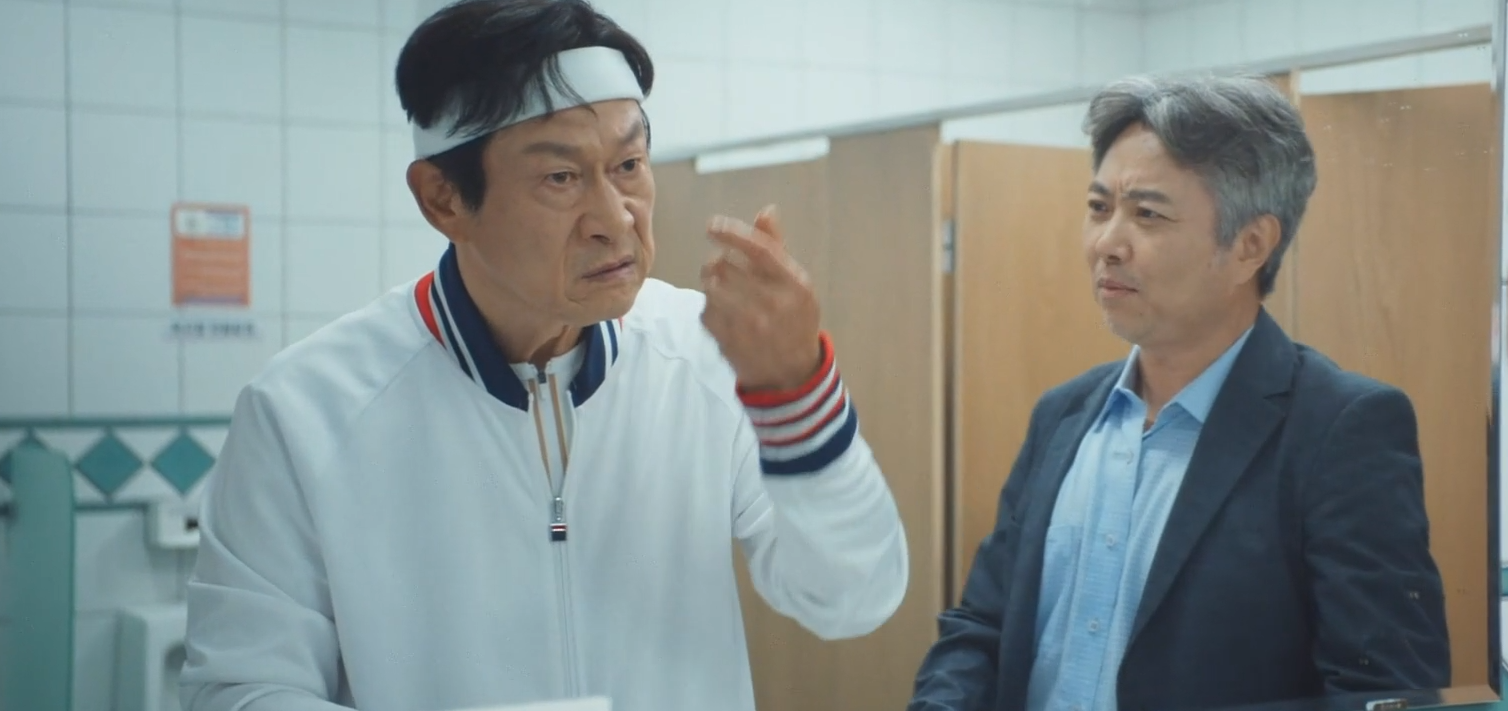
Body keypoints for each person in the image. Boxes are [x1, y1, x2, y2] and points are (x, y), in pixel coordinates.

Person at [178, 1, 909, 710]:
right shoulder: (305, 413)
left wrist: (796, 394)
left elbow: (853, 597)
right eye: (561, 178)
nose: (615, 218)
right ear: (443, 199)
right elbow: (240, 687)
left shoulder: (704, 355)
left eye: (629, 164)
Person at [908, 74, 1450, 711]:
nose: (1108, 243)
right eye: (1099, 207)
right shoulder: (1064, 415)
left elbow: (1386, 691)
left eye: (1148, 214)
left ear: (1250, 245)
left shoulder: (1339, 427)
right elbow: (984, 625)